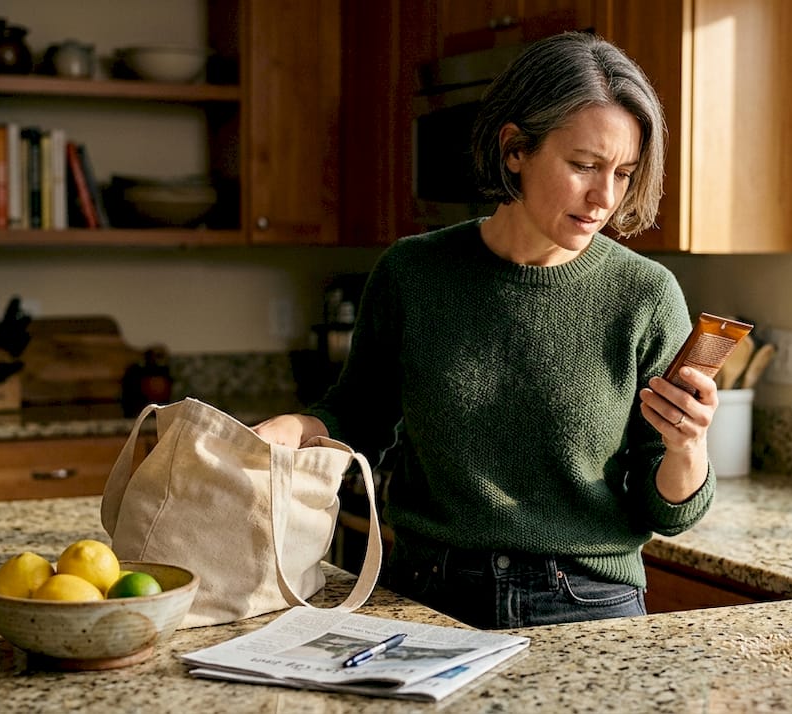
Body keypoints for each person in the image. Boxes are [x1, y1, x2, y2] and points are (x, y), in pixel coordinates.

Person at [252, 31, 717, 629]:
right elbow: (358, 416)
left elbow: (670, 512)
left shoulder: (646, 296)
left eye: (624, 173)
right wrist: (296, 426)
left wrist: (688, 447)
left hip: (584, 602)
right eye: (584, 166)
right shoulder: (412, 273)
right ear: (516, 148)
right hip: (424, 593)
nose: (605, 197)